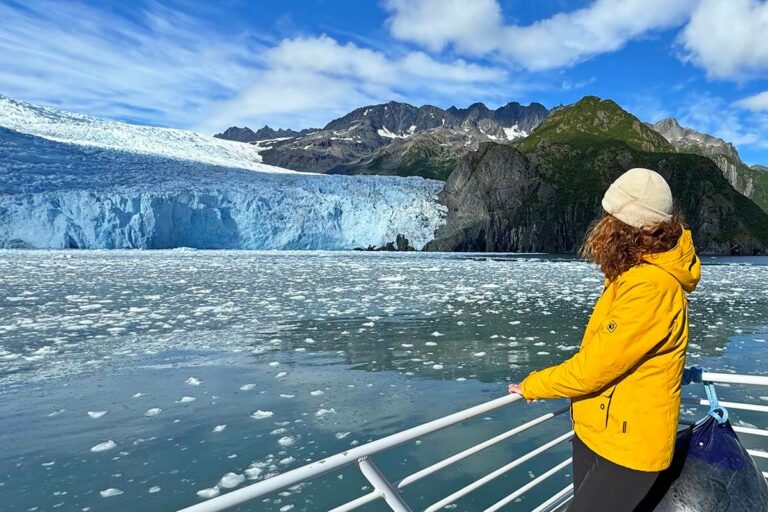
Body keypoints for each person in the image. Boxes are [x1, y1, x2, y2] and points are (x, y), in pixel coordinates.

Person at [508, 168, 701, 512]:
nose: (602, 225)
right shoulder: (635, 274)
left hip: (629, 446)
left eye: (610, 217)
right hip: (603, 429)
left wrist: (535, 384)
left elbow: (594, 368)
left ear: (628, 226)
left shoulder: (651, 287)